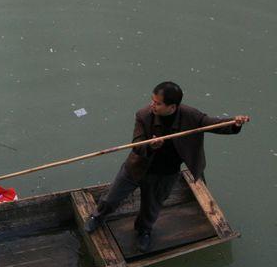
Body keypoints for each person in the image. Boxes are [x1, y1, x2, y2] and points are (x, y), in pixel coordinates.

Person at [85, 81, 248, 253]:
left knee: (152, 206)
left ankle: (143, 231)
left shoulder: (191, 116)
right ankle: (98, 216)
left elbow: (214, 124)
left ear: (172, 107)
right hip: (137, 167)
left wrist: (235, 123)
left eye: (157, 103)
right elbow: (137, 144)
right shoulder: (144, 115)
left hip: (165, 173)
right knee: (112, 197)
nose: (152, 105)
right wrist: (151, 146)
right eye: (152, 100)